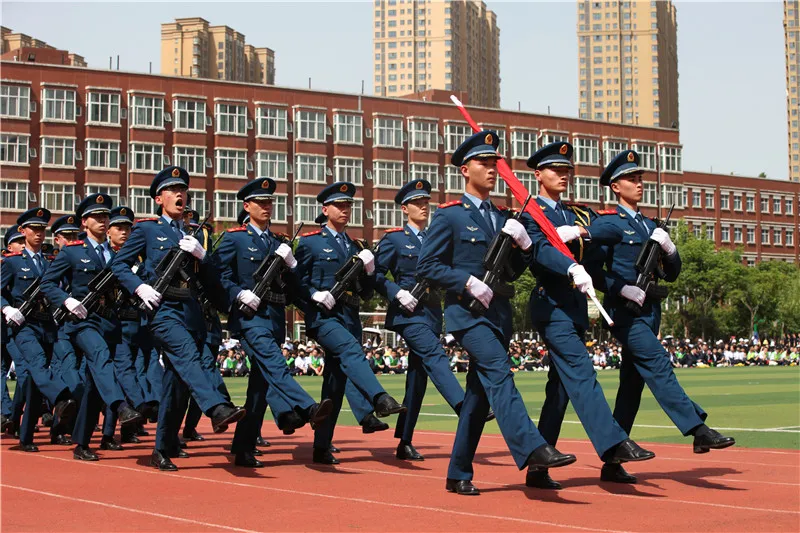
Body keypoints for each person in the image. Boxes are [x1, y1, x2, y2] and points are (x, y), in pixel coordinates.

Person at [416, 131, 576, 496]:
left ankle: (457, 472)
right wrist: (467, 282)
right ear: (464, 169)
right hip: (467, 314)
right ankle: (532, 448)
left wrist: (522, 246)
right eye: (484, 163)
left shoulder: (503, 217)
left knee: (478, 396)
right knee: (499, 372)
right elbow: (427, 266)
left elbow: (512, 271)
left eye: (495, 163)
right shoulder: (450, 217)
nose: (492, 169)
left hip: (499, 314)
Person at [586, 150, 735, 481]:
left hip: (650, 312)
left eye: (640, 178)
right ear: (615, 186)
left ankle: (612, 459)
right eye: (631, 179)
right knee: (658, 364)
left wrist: (669, 249)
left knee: (631, 385)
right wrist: (620, 288)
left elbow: (671, 274)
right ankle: (697, 428)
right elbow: (592, 270)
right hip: (625, 313)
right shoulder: (608, 223)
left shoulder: (651, 225)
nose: (638, 184)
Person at [522, 142, 654, 489]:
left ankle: (538, 463)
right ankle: (613, 445)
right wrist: (568, 265)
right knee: (581, 371)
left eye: (567, 170)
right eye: (555, 170)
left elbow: (606, 239)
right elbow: (539, 254)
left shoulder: (577, 214)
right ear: (538, 175)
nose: (563, 175)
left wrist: (584, 234)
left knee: (561, 390)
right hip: (551, 305)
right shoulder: (530, 212)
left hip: (577, 308)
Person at [111, 166, 246, 471]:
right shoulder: (146, 230)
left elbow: (212, 279)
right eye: (173, 190)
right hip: (162, 311)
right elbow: (118, 266)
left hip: (192, 312)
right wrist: (140, 287)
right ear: (159, 198)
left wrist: (202, 256)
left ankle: (162, 448)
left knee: (176, 386)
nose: (180, 195)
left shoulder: (194, 234)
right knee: (188, 357)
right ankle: (217, 407)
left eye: (183, 190)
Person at [214, 177, 333, 467]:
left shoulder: (279, 242)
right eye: (260, 202)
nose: (267, 207)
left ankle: (242, 447)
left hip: (275, 317)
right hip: (250, 318)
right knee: (274, 363)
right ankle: (307, 407)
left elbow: (293, 286)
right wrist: (238, 293)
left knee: (260, 387)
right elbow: (217, 276)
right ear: (247, 206)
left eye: (270, 202)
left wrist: (292, 265)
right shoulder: (235, 238)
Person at [375, 178, 491, 461]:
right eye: (417, 203)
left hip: (430, 311)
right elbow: (375, 275)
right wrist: (396, 292)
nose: (423, 207)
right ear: (405, 208)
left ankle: (404, 440)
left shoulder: (435, 237)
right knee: (434, 354)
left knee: (417, 380)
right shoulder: (394, 239)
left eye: (426, 202)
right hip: (407, 314)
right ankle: (463, 405)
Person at [294, 181, 406, 465]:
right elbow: (295, 282)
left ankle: (321, 446)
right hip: (324, 317)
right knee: (350, 351)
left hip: (350, 316)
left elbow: (366, 293)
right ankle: (379, 398)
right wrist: (312, 294)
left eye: (348, 206)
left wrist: (369, 271)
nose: (345, 210)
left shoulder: (356, 246)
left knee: (334, 382)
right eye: (339, 205)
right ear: (325, 209)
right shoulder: (310, 242)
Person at [41, 195, 146, 460]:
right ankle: (122, 407)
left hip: (111, 321)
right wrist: (67, 301)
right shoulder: (73, 251)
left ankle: (82, 443)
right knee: (99, 356)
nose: (102, 221)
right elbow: (47, 284)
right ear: (84, 222)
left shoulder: (119, 255)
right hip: (82, 322)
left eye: (105, 217)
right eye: (96, 217)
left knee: (92, 385)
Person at [2, 208, 78, 452]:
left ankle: (25, 438)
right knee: (35, 364)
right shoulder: (13, 263)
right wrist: (6, 309)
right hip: (23, 325)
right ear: (23, 231)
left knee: (35, 382)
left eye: (41, 229)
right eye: (33, 229)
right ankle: (61, 397)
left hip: (47, 325)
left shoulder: (49, 263)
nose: (38, 233)